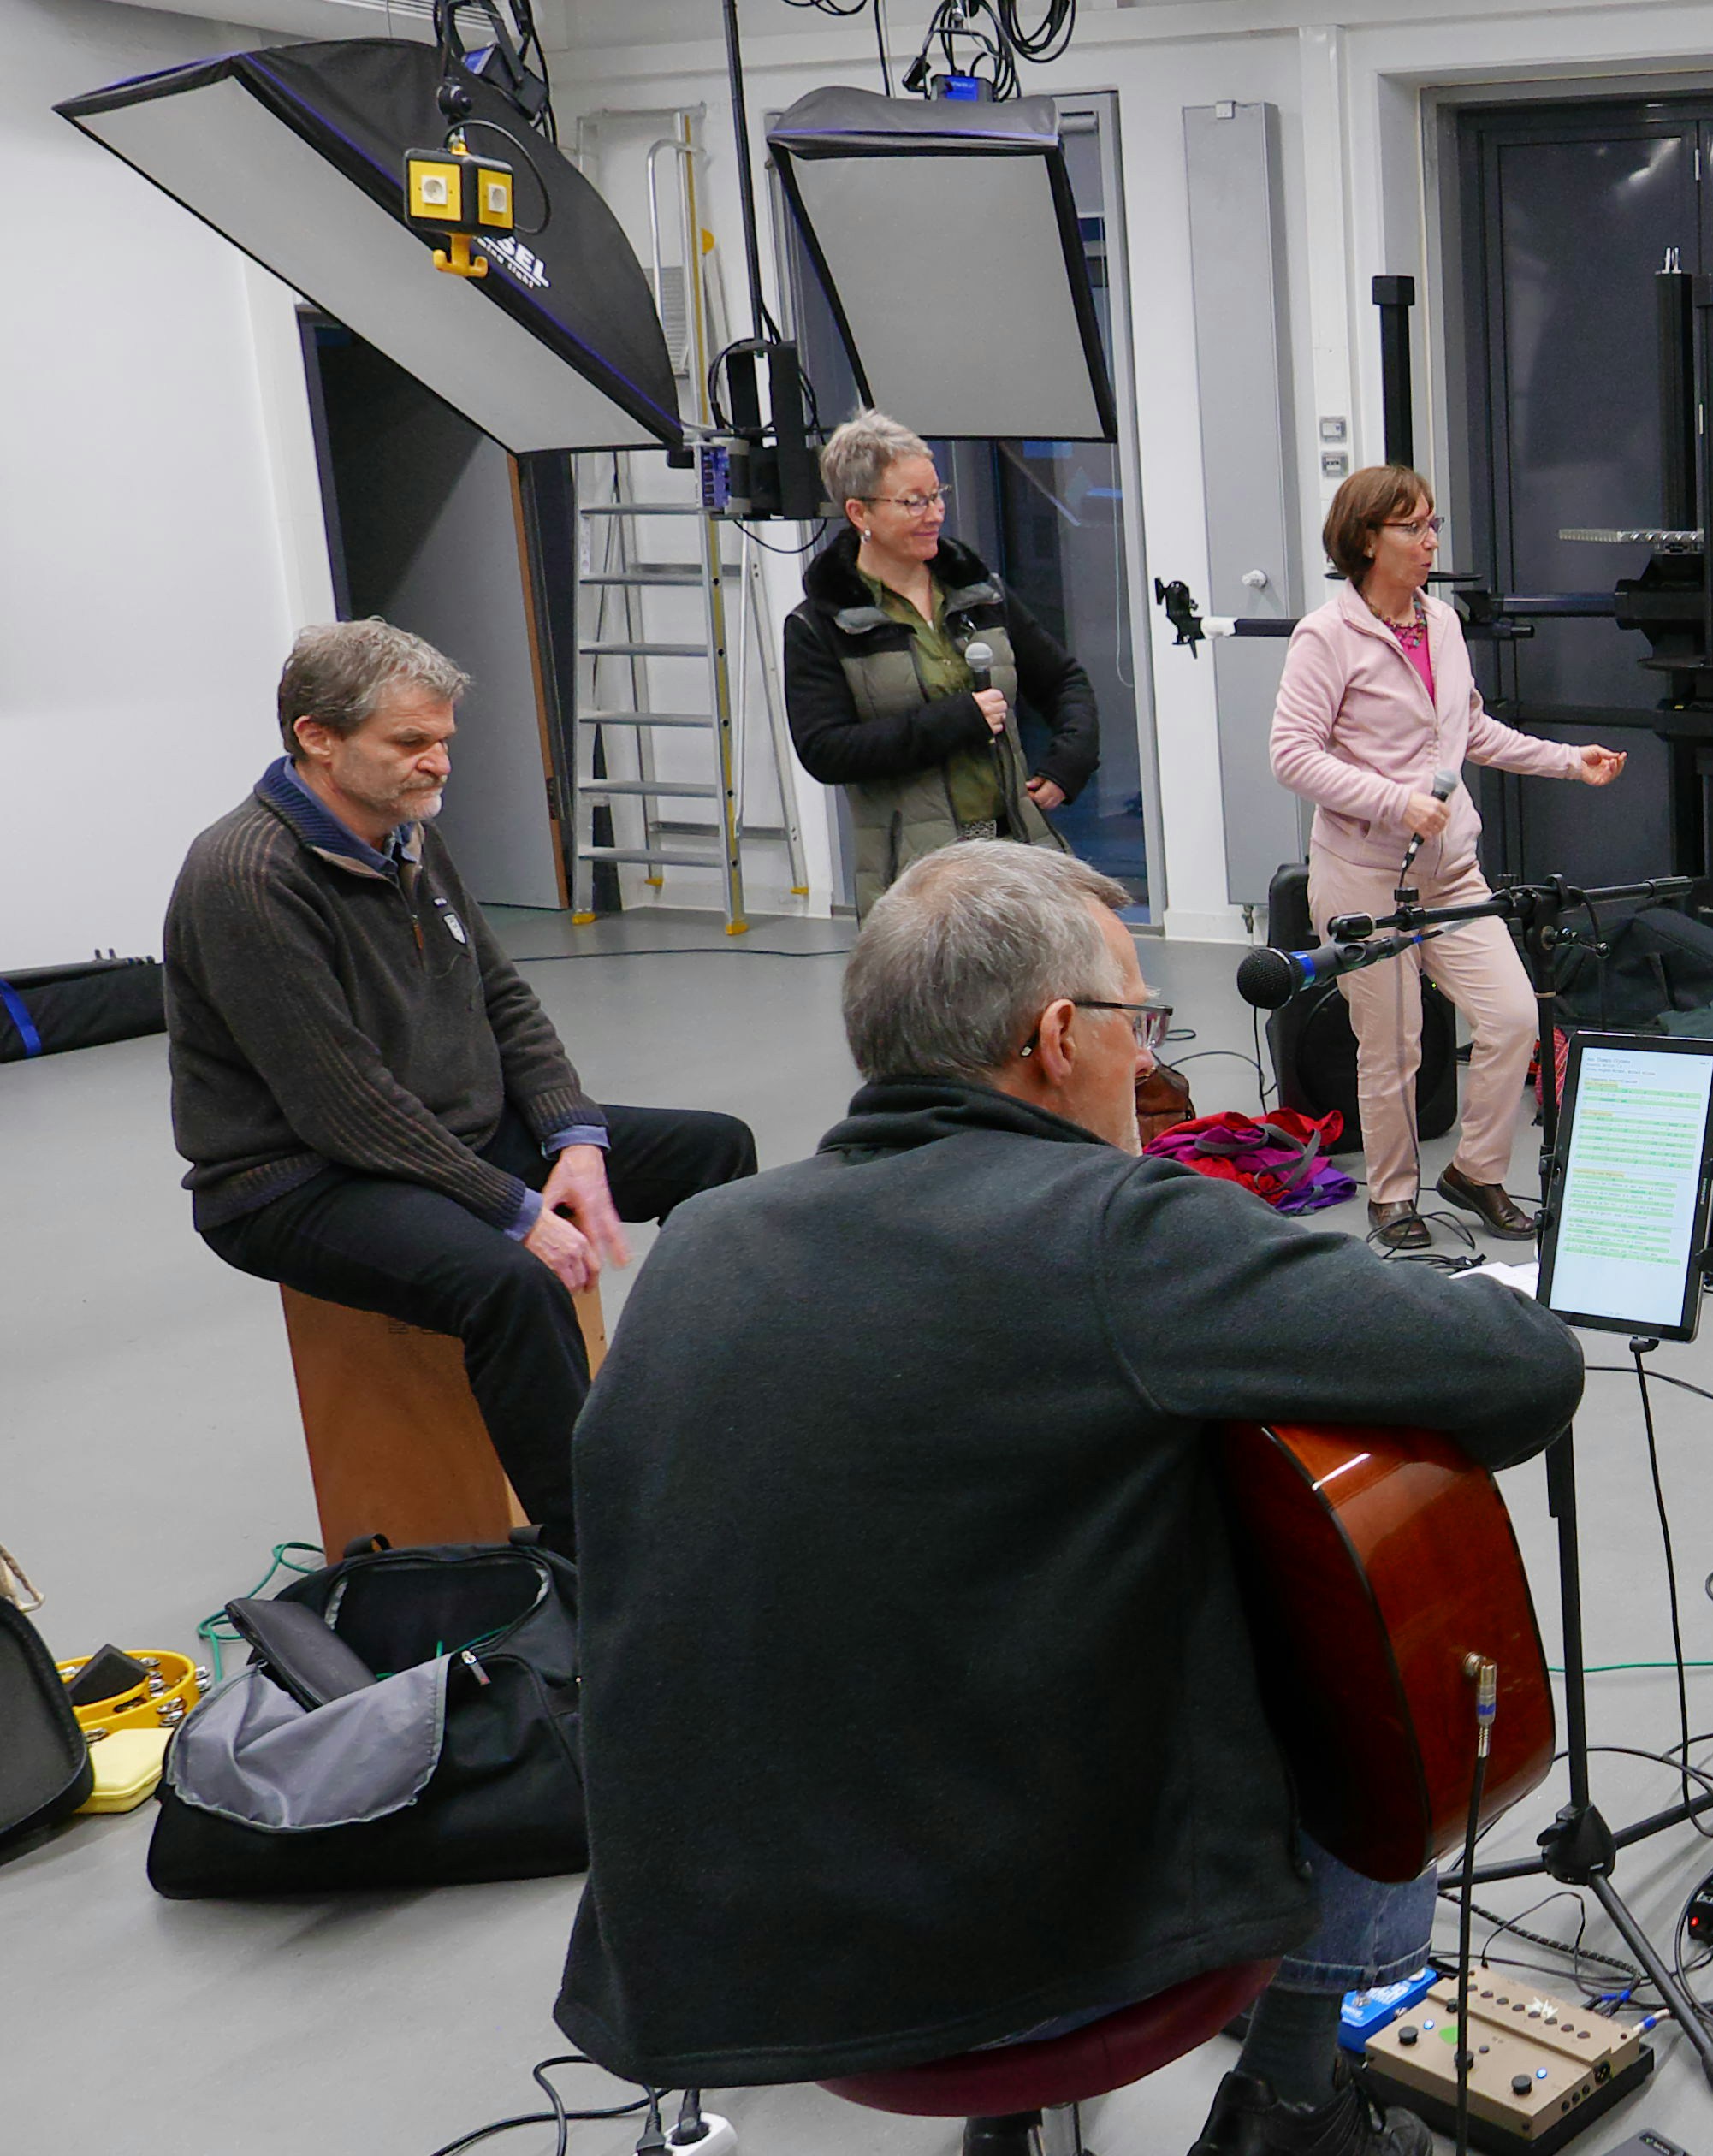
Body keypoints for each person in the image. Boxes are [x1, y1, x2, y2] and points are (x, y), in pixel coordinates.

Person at [551, 842, 1586, 2156]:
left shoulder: (705, 1240)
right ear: (1055, 1037)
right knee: (1361, 1647)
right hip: (1026, 1963)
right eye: (1136, 1023)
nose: (1150, 1064)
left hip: (730, 1959)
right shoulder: (1116, 1229)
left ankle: (1017, 2122)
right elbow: (1524, 1372)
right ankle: (1293, 2101)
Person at [167, 619, 757, 1556]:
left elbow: (503, 1000)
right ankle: (604, 1552)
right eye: (411, 743)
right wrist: (514, 1207)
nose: (438, 764)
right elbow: (342, 1104)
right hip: (296, 1181)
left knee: (714, 1148)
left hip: (442, 1141)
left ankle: (709, 1422)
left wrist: (575, 1140)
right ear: (318, 736)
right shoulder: (246, 876)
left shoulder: (406, 834)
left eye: (443, 740)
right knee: (508, 1285)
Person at [1270, 464, 1625, 1252]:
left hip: (1452, 871)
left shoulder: (1445, 624)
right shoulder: (1326, 637)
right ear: (1368, 539)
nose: (1432, 541)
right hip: (1363, 874)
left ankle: (1476, 1170)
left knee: (1512, 1016)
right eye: (1415, 527)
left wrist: (1571, 761)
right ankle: (1393, 1197)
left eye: (1434, 525)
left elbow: (1471, 732)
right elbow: (1291, 755)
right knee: (1392, 1044)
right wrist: (1394, 801)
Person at [785, 407, 1101, 914]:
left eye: (937, 496)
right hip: (916, 880)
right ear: (859, 513)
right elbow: (825, 750)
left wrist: (1069, 762)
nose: (934, 515)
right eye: (913, 502)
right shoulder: (820, 625)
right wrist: (955, 721)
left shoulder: (981, 594)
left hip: (1018, 853)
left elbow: (1065, 681)